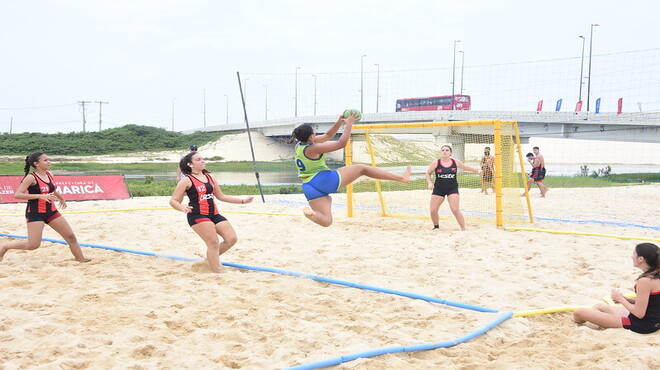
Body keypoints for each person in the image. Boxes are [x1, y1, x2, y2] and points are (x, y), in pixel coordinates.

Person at [292, 112, 411, 227]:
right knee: (362, 168)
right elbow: (342, 143)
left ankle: (312, 215)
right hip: (323, 180)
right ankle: (401, 178)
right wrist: (349, 124)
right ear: (312, 136)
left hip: (308, 186)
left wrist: (339, 122)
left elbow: (328, 135)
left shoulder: (300, 146)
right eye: (314, 133)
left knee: (327, 220)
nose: (316, 135)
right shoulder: (314, 147)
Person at [169, 152, 253, 273]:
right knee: (213, 242)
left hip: (213, 214)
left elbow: (221, 196)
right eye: (198, 159)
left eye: (203, 159)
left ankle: (209, 259)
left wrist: (243, 201)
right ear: (190, 164)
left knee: (231, 238)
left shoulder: (210, 177)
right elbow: (173, 200)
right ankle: (216, 272)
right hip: (197, 215)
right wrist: (182, 208)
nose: (202, 161)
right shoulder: (186, 180)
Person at [0, 153, 91, 263]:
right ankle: (5, 246)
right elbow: (17, 195)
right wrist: (40, 196)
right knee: (33, 245)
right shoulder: (31, 177)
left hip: (51, 211)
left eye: (49, 160)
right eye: (46, 160)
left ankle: (81, 259)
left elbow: (51, 188)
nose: (49, 162)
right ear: (36, 164)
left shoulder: (49, 174)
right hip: (35, 213)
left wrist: (61, 198)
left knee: (70, 236)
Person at [572, 243, 660, 334]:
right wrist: (627, 299)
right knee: (600, 306)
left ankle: (588, 327)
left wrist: (621, 299)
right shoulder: (656, 275)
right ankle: (595, 326)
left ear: (641, 259)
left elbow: (639, 313)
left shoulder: (645, 281)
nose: (631, 256)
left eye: (634, 254)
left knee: (578, 313)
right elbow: (652, 302)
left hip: (640, 325)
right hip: (653, 322)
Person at [425, 145, 481, 231]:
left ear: (450, 152)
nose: (444, 151)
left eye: (447, 150)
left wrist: (477, 171)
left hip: (452, 189)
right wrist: (429, 183)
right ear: (440, 152)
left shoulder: (455, 162)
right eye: (443, 150)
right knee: (433, 210)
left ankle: (463, 228)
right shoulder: (436, 163)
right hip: (439, 189)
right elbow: (427, 173)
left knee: (455, 209)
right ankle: (436, 226)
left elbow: (466, 167)